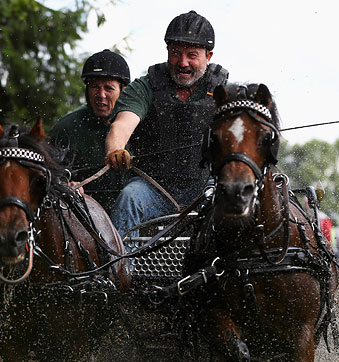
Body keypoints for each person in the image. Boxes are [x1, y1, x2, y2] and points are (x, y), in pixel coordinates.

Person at [104, 10, 229, 237]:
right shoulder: (145, 87)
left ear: (208, 56)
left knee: (234, 203)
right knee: (129, 197)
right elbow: (121, 125)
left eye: (192, 55)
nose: (182, 62)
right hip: (152, 189)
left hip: (206, 189)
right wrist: (115, 149)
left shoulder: (225, 92)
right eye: (175, 53)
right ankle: (117, 270)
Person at [50, 49, 131, 212]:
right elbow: (46, 173)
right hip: (81, 214)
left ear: (123, 91)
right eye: (95, 87)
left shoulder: (137, 123)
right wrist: (64, 185)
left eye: (109, 88)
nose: (101, 95)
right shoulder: (67, 127)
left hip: (131, 211)